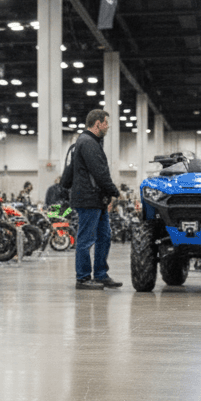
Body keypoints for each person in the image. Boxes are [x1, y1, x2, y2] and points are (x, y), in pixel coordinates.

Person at [66, 108, 122, 290]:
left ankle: (100, 274)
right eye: (106, 123)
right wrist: (115, 191)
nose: (108, 126)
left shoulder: (89, 142)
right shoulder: (88, 142)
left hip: (97, 199)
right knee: (86, 239)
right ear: (98, 123)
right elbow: (100, 173)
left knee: (104, 236)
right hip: (88, 198)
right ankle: (82, 278)